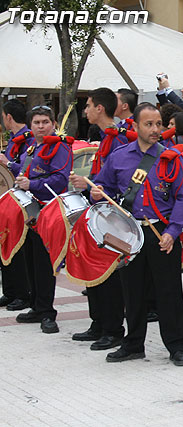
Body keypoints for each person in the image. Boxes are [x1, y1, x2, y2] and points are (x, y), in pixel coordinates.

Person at [92, 103, 183, 366]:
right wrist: (96, 190)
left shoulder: (172, 157)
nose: (156, 129)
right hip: (130, 234)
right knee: (132, 291)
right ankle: (134, 343)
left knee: (168, 292)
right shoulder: (120, 155)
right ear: (134, 126)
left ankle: (178, 345)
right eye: (149, 124)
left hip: (162, 232)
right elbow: (105, 184)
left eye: (159, 124)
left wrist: (173, 231)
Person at [69, 87, 130, 351]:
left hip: (112, 214)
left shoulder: (118, 139)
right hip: (98, 209)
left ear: (99, 109)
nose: (85, 111)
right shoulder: (106, 138)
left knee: (109, 274)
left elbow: (123, 178)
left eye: (88, 105)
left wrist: (90, 183)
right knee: (93, 268)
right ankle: (98, 323)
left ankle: (113, 329)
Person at [14, 106, 73, 334]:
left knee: (44, 263)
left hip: (48, 212)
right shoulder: (31, 148)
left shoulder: (60, 147)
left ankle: (48, 312)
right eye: (37, 122)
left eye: (45, 122)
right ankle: (37, 306)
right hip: (28, 211)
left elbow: (59, 180)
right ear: (30, 126)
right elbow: (26, 170)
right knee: (30, 259)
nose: (41, 126)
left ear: (54, 124)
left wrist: (32, 184)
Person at [0, 99, 33, 311]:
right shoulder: (14, 140)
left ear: (9, 117)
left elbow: (27, 167)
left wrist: (7, 163)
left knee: (19, 248)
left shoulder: (28, 141)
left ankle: (22, 293)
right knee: (5, 243)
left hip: (22, 202)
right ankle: (10, 292)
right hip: (7, 201)